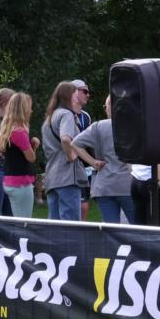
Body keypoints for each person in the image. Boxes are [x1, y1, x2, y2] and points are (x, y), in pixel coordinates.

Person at [72, 96, 136, 224]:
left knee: (111, 229)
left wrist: (92, 162)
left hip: (104, 185)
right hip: (126, 184)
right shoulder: (133, 126)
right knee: (137, 226)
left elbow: (75, 143)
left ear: (108, 108)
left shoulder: (98, 127)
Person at [41, 81, 88, 220]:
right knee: (70, 223)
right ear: (68, 97)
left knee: (54, 224)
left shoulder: (49, 118)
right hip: (67, 176)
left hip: (52, 176)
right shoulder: (66, 114)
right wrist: (70, 155)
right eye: (75, 95)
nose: (76, 98)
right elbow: (66, 139)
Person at [0, 92, 40, 217]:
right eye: (29, 107)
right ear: (23, 110)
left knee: (16, 221)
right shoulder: (19, 132)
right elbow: (31, 158)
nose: (31, 110)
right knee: (24, 223)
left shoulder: (8, 130)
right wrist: (35, 145)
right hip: (21, 183)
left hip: (9, 181)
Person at [70, 79, 94, 220]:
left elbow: (89, 142)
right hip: (69, 165)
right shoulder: (62, 114)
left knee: (84, 206)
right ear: (74, 92)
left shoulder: (85, 116)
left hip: (84, 166)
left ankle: (80, 233)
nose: (87, 94)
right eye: (84, 91)